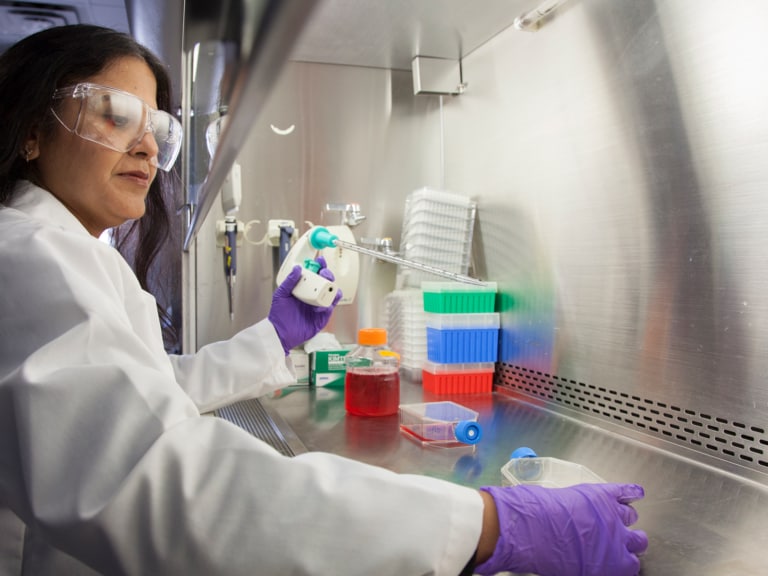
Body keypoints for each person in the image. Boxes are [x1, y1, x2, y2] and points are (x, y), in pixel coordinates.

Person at [0, 24, 648, 576]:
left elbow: (139, 391)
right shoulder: (30, 257)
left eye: (157, 126)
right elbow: (152, 479)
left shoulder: (65, 255)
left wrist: (276, 337)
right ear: (32, 131)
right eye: (117, 114)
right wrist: (483, 524)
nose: (145, 144)